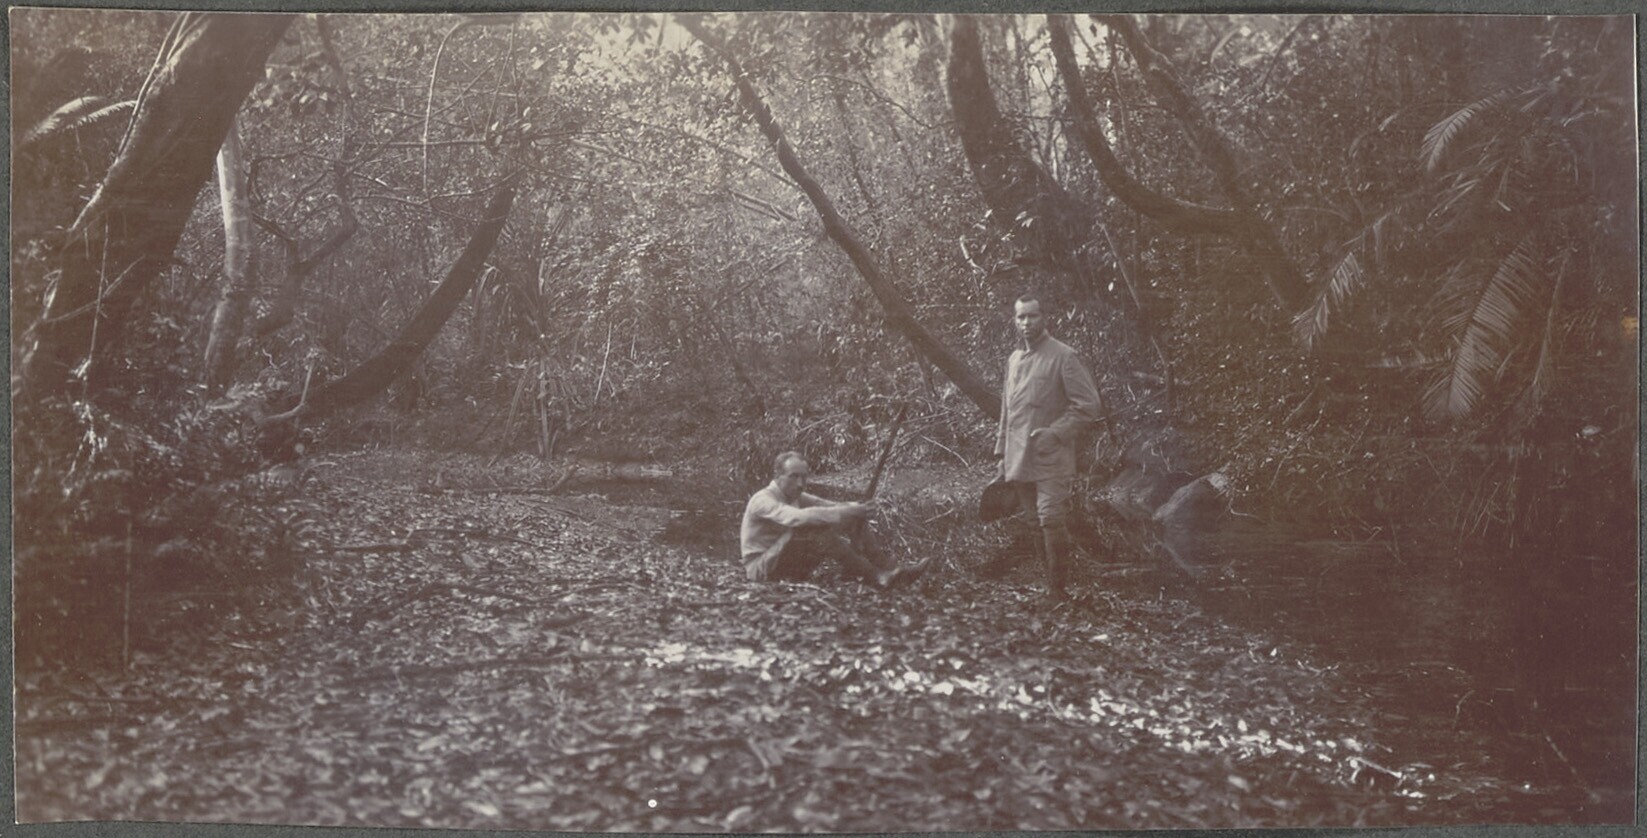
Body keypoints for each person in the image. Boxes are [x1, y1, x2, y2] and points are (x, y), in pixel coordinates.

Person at [994, 293, 1102, 600]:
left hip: (1052, 456)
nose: (1026, 323)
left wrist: (1055, 433)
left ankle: (1058, 592)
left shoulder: (1064, 356)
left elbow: (1088, 405)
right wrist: (1001, 453)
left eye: (1032, 316)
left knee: (1051, 518)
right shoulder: (1013, 360)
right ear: (1014, 321)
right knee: (1032, 522)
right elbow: (1006, 410)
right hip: (1019, 456)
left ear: (1044, 318)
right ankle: (1048, 588)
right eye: (1021, 317)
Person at [741, 451, 934, 587]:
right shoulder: (763, 500)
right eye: (794, 477)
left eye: (804, 477)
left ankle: (888, 568)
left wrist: (856, 508)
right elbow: (797, 518)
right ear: (778, 476)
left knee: (851, 516)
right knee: (811, 528)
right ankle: (873, 575)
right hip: (760, 570)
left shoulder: (794, 495)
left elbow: (828, 505)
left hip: (782, 564)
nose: (800, 484)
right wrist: (848, 511)